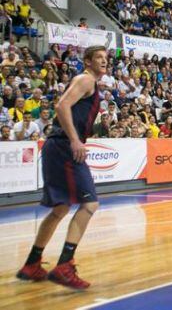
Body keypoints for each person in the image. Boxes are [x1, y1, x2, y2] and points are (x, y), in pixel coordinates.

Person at [17, 45, 108, 290]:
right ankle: (65, 266)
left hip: (57, 145)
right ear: (87, 61)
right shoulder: (85, 79)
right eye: (98, 57)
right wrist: (76, 140)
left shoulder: (90, 84)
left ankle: (32, 264)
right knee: (90, 204)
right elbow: (61, 106)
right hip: (64, 145)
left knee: (61, 208)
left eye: (105, 58)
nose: (104, 61)